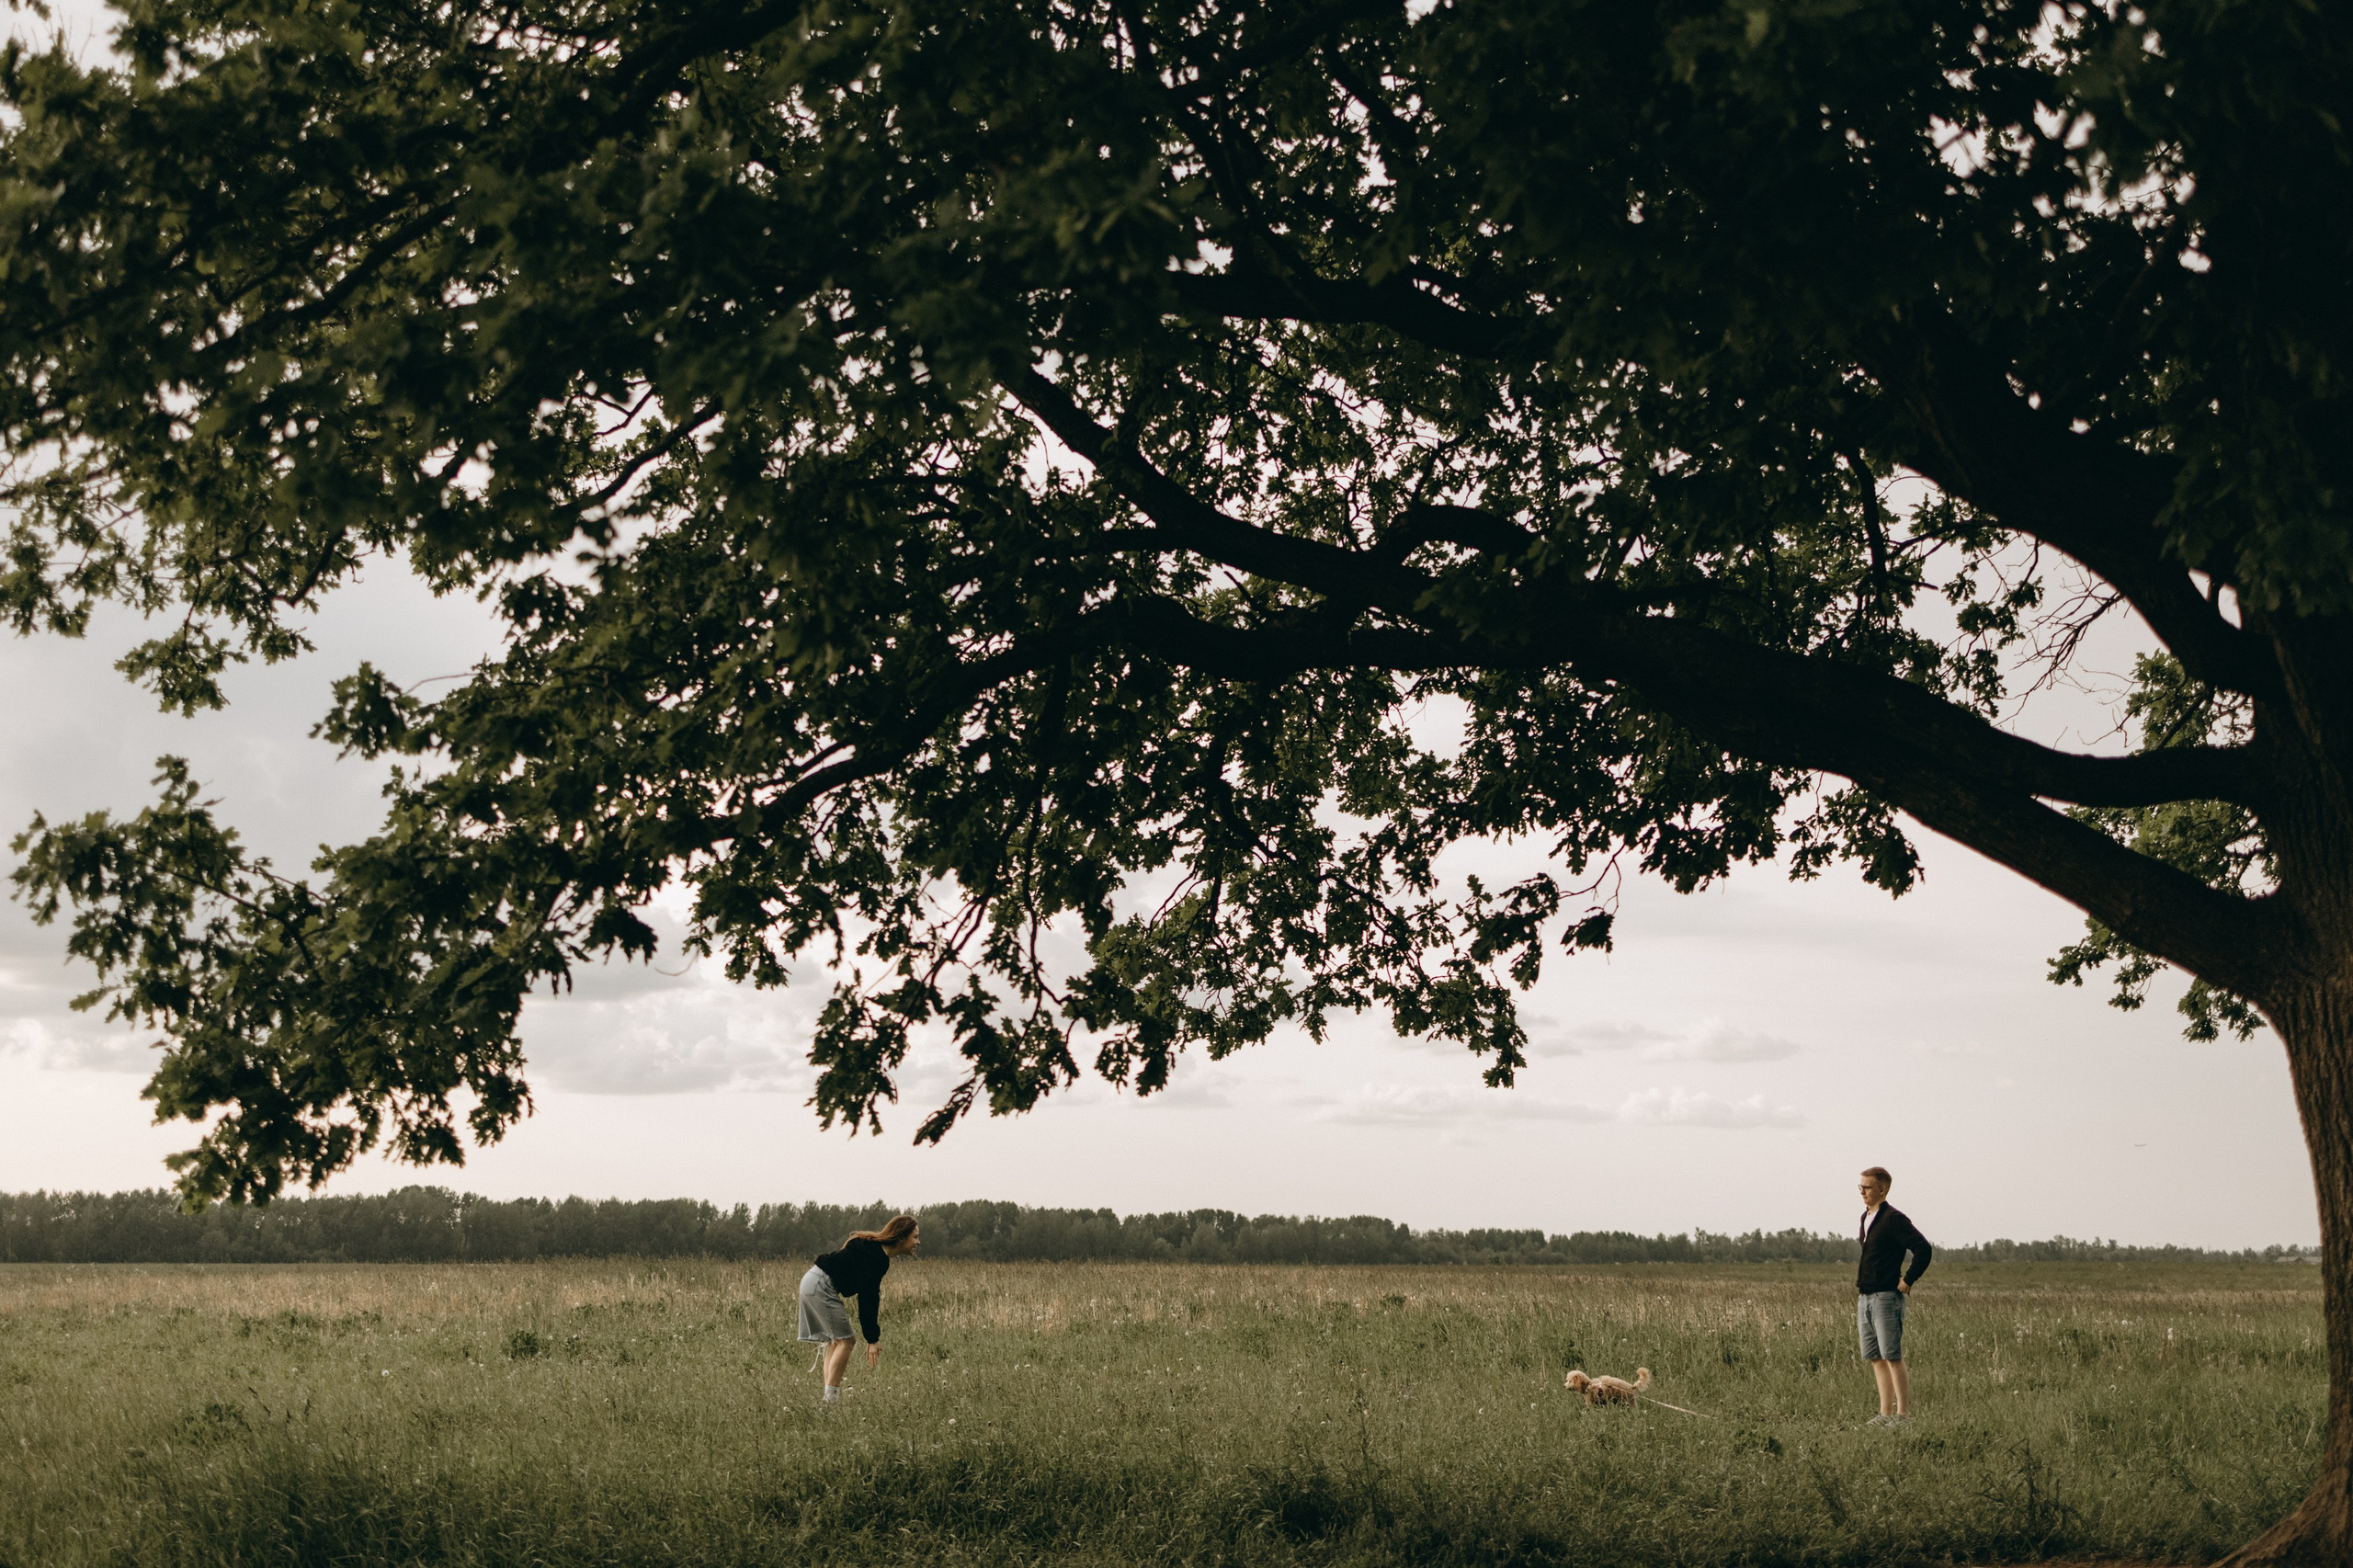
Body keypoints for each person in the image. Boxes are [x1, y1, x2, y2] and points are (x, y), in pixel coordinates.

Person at [799, 1214, 920, 1404]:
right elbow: (868, 1297)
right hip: (820, 1285)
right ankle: (830, 1401)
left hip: (813, 1280)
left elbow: (867, 1294)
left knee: (836, 1341)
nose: (918, 1242)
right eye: (915, 1237)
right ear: (902, 1237)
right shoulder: (876, 1257)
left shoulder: (874, 1251)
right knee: (847, 1341)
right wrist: (872, 1339)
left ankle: (829, 1399)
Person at [1855, 1166, 1931, 1427]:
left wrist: (1908, 1280)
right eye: (1860, 1186)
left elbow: (1923, 1249)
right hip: (1865, 1297)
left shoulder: (1894, 1219)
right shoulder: (1866, 1217)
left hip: (1887, 1297)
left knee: (1892, 1356)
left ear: (1882, 1189)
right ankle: (1884, 1414)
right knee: (1875, 1357)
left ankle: (1903, 1416)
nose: (1862, 1191)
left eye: (1866, 1187)